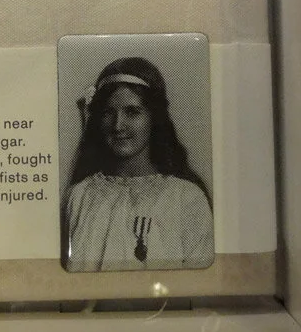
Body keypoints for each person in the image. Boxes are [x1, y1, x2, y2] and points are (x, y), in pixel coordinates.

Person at [63, 57, 213, 272]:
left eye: (132, 112)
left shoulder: (186, 199)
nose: (117, 125)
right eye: (108, 113)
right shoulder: (79, 197)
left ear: (154, 118)